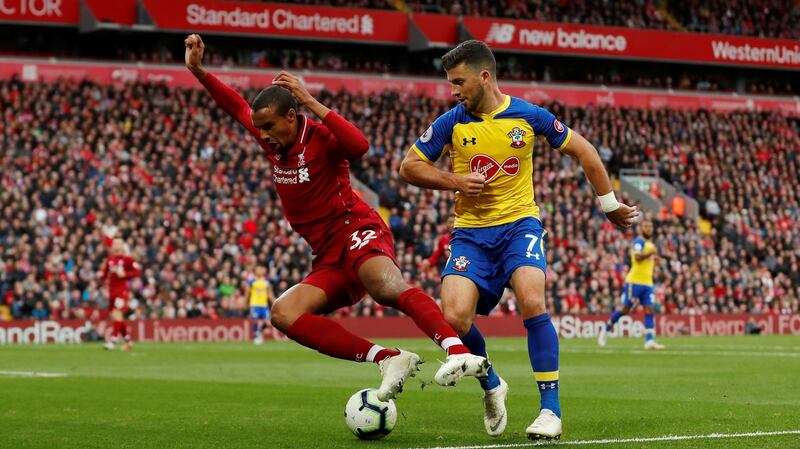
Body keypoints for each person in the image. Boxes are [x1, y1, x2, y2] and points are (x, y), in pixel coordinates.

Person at [184, 34, 488, 402]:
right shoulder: (271, 139)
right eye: (259, 128)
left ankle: (457, 351)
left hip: (356, 228)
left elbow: (360, 146)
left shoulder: (322, 138)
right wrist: (199, 72)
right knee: (283, 314)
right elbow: (235, 106)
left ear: (292, 117)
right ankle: (388, 358)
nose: (262, 135)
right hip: (327, 252)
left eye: (269, 127)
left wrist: (311, 100)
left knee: (385, 286)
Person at [399, 40, 638, 439]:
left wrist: (609, 204)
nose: (453, 91)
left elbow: (584, 151)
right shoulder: (451, 122)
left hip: (519, 226)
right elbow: (409, 166)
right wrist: (454, 181)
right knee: (455, 320)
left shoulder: (528, 116)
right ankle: (491, 380)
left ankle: (550, 411)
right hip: (471, 234)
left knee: (532, 301)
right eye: (451, 83)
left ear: (484, 76)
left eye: (459, 82)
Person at [598, 219, 665, 350]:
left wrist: (655, 261)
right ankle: (606, 329)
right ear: (641, 229)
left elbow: (648, 262)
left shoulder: (650, 245)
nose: (649, 229)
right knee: (625, 309)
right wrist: (651, 254)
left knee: (649, 309)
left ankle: (649, 341)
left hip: (648, 283)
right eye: (646, 226)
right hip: (634, 282)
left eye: (651, 227)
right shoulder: (638, 242)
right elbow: (638, 257)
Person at [97, 238, 141, 351]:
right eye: (114, 243)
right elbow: (105, 272)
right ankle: (128, 341)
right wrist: (101, 274)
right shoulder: (110, 259)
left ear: (122, 246)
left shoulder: (127, 259)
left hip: (121, 291)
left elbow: (137, 271)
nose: (116, 245)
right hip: (112, 291)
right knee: (117, 317)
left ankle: (113, 340)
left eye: (118, 243)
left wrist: (126, 274)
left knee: (117, 313)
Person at [246, 266, 276, 345]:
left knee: (267, 322)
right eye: (258, 269)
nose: (260, 271)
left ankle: (258, 333)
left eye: (261, 269)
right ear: (255, 271)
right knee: (255, 320)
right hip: (255, 304)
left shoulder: (266, 281)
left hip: (264, 305)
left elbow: (270, 293)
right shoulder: (251, 281)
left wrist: (275, 302)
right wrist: (246, 302)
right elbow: (247, 293)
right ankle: (256, 337)